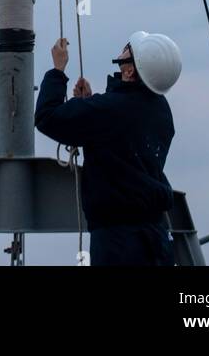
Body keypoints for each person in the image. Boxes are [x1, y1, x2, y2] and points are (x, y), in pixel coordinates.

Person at [35, 31, 182, 266]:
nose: (122, 50)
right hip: (157, 238)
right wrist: (90, 105)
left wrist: (57, 71)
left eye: (127, 49)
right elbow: (123, 136)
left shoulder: (110, 110)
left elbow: (47, 117)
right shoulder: (161, 110)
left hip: (118, 240)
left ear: (130, 70)